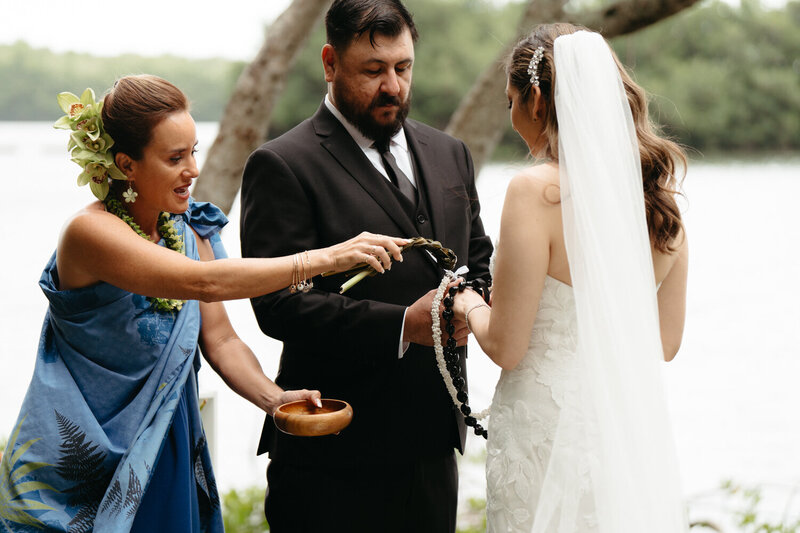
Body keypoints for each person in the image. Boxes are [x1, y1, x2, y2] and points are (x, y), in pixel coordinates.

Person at [0, 74, 407, 533]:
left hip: (166, 445)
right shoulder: (88, 234)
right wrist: (325, 258)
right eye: (175, 158)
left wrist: (274, 398)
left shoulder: (191, 231)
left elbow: (221, 339)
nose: (193, 169)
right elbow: (205, 283)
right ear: (126, 164)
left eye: (193, 152)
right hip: (81, 456)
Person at [239, 1, 493, 531]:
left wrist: (472, 307)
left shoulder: (450, 153)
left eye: (403, 67)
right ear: (330, 63)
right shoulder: (281, 164)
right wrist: (402, 326)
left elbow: (478, 261)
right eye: (373, 70)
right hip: (330, 456)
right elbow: (276, 305)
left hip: (432, 448)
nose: (392, 86)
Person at [451, 24, 690, 532]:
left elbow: (507, 346)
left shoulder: (533, 192)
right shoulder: (660, 202)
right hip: (622, 432)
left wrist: (466, 301)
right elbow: (665, 344)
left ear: (537, 100)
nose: (512, 116)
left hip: (542, 431)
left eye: (510, 101)